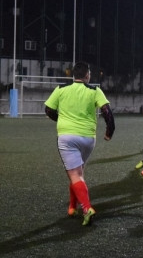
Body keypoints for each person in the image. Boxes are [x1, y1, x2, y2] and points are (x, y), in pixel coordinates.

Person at [44, 62, 115, 226]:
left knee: (75, 174)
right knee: (78, 172)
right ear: (87, 75)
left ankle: (87, 208)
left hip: (67, 137)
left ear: (73, 75)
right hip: (88, 138)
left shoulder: (61, 89)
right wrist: (109, 132)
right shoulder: (94, 90)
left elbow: (48, 109)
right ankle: (72, 207)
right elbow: (108, 113)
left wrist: (60, 119)